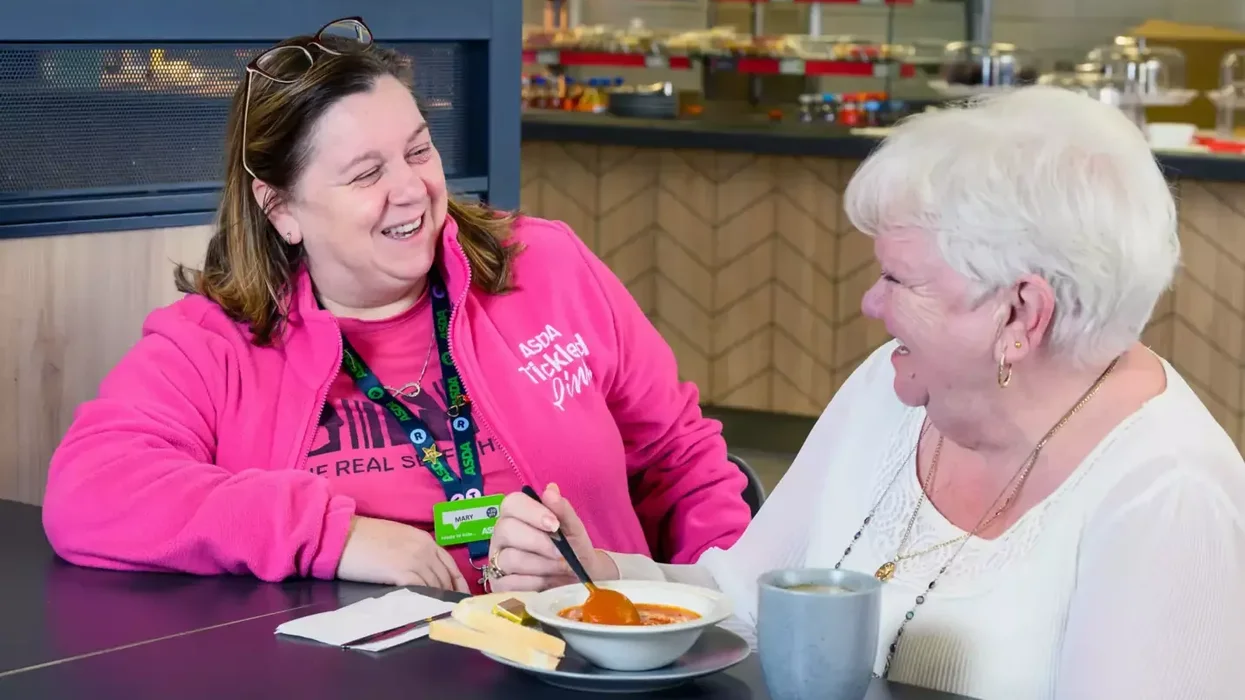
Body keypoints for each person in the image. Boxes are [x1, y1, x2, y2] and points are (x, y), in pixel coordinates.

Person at [487, 86, 1245, 699]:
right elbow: (747, 600)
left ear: (1020, 313)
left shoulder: (1170, 493)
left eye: (898, 279)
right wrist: (596, 576)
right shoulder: (891, 389)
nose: (869, 304)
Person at [41, 17, 750, 595]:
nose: (411, 189)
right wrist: (335, 535)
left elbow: (682, 461)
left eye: (418, 150)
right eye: (366, 173)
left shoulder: (546, 266)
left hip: (589, 660)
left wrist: (727, 607)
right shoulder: (216, 341)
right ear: (281, 208)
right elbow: (89, 492)